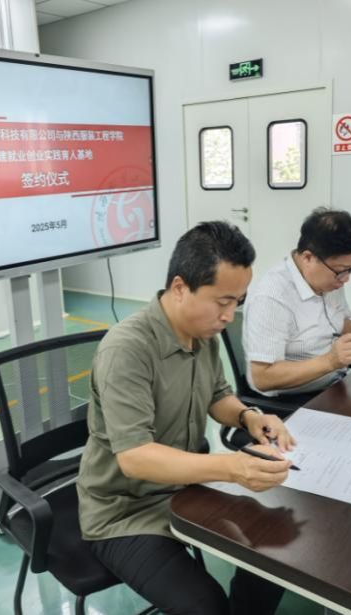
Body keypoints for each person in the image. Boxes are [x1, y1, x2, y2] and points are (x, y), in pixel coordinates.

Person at [77, 221, 295, 615]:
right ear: (180, 287)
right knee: (204, 607)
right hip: (124, 512)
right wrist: (232, 468)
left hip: (187, 490)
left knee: (275, 550)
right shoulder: (127, 350)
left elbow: (217, 395)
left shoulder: (201, 334)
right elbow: (135, 457)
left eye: (238, 302)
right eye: (222, 301)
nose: (229, 315)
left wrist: (249, 417)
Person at [243, 208, 351, 397]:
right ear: (308, 258)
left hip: (335, 383)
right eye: (341, 271)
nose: (346, 279)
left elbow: (337, 321)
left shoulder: (329, 279)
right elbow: (263, 377)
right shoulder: (271, 297)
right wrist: (330, 361)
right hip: (293, 399)